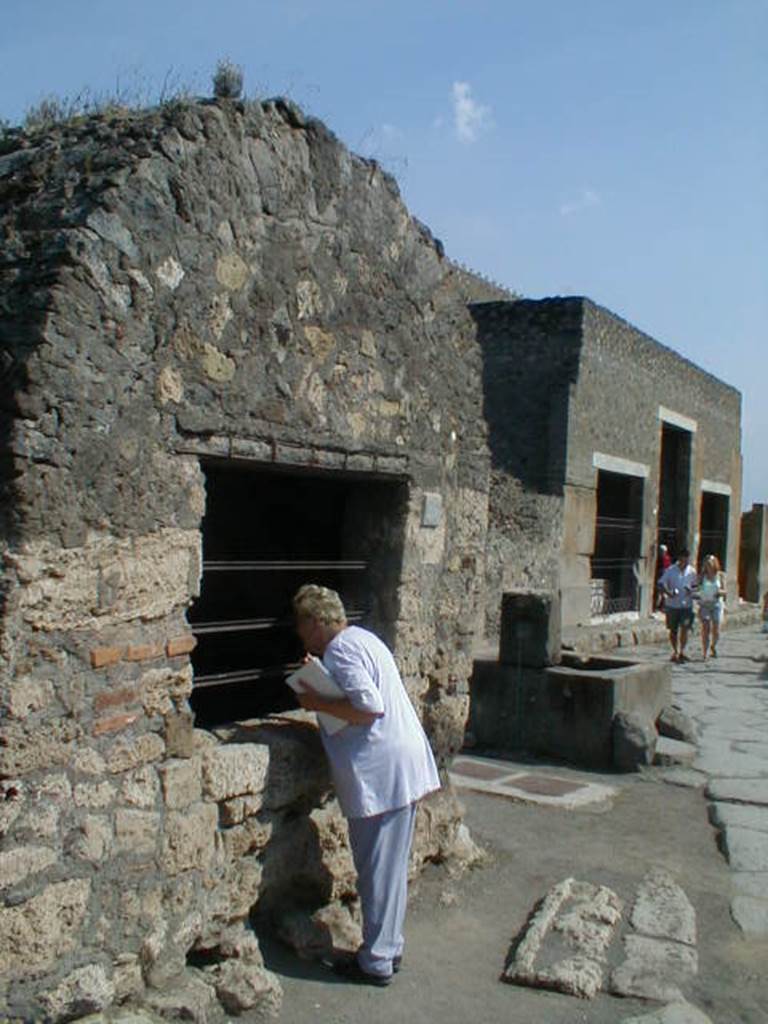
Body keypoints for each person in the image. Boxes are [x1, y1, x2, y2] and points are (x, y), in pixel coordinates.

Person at [291, 584, 440, 987]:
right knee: (389, 869)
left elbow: (369, 706)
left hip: (381, 773)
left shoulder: (340, 649)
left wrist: (315, 703)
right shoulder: (362, 639)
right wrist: (321, 677)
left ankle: (376, 960)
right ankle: (387, 949)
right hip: (398, 766)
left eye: (303, 626)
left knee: (377, 871)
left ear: (318, 622)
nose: (301, 634)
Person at [659, 548, 697, 662]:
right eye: (682, 559)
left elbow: (695, 586)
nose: (684, 561)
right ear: (679, 559)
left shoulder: (692, 571)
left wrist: (691, 590)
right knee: (673, 630)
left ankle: (682, 651)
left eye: (686, 559)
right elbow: (661, 583)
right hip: (672, 605)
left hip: (686, 605)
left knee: (685, 628)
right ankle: (675, 651)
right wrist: (668, 593)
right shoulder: (671, 570)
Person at [697, 554, 726, 660]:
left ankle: (713, 645)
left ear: (714, 564)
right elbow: (696, 588)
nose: (708, 565)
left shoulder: (720, 576)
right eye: (706, 564)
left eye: (710, 563)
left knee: (716, 629)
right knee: (705, 628)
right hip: (705, 604)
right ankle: (705, 651)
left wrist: (719, 592)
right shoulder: (702, 576)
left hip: (716, 604)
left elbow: (725, 591)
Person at [655, 544, 673, 610]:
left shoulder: (663, 558)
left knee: (660, 593)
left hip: (662, 576)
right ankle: (661, 607)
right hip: (663, 576)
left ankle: (658, 607)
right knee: (661, 593)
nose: (660, 552)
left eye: (661, 550)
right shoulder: (667, 558)